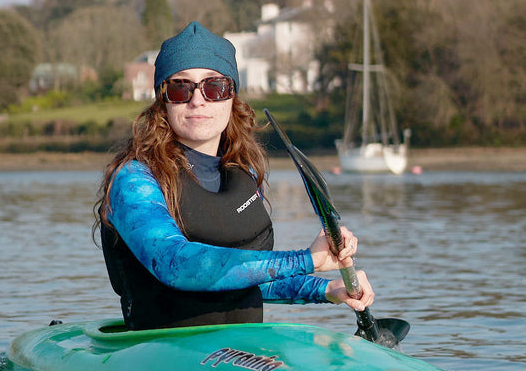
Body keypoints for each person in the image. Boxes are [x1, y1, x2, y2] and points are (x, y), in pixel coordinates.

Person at [94, 21, 375, 331]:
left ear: (232, 97)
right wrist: (306, 259)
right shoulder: (134, 179)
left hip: (243, 350)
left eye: (214, 87)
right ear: (163, 100)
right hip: (159, 353)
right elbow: (175, 263)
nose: (197, 100)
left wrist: (323, 289)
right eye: (180, 88)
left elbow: (243, 277)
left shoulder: (241, 173)